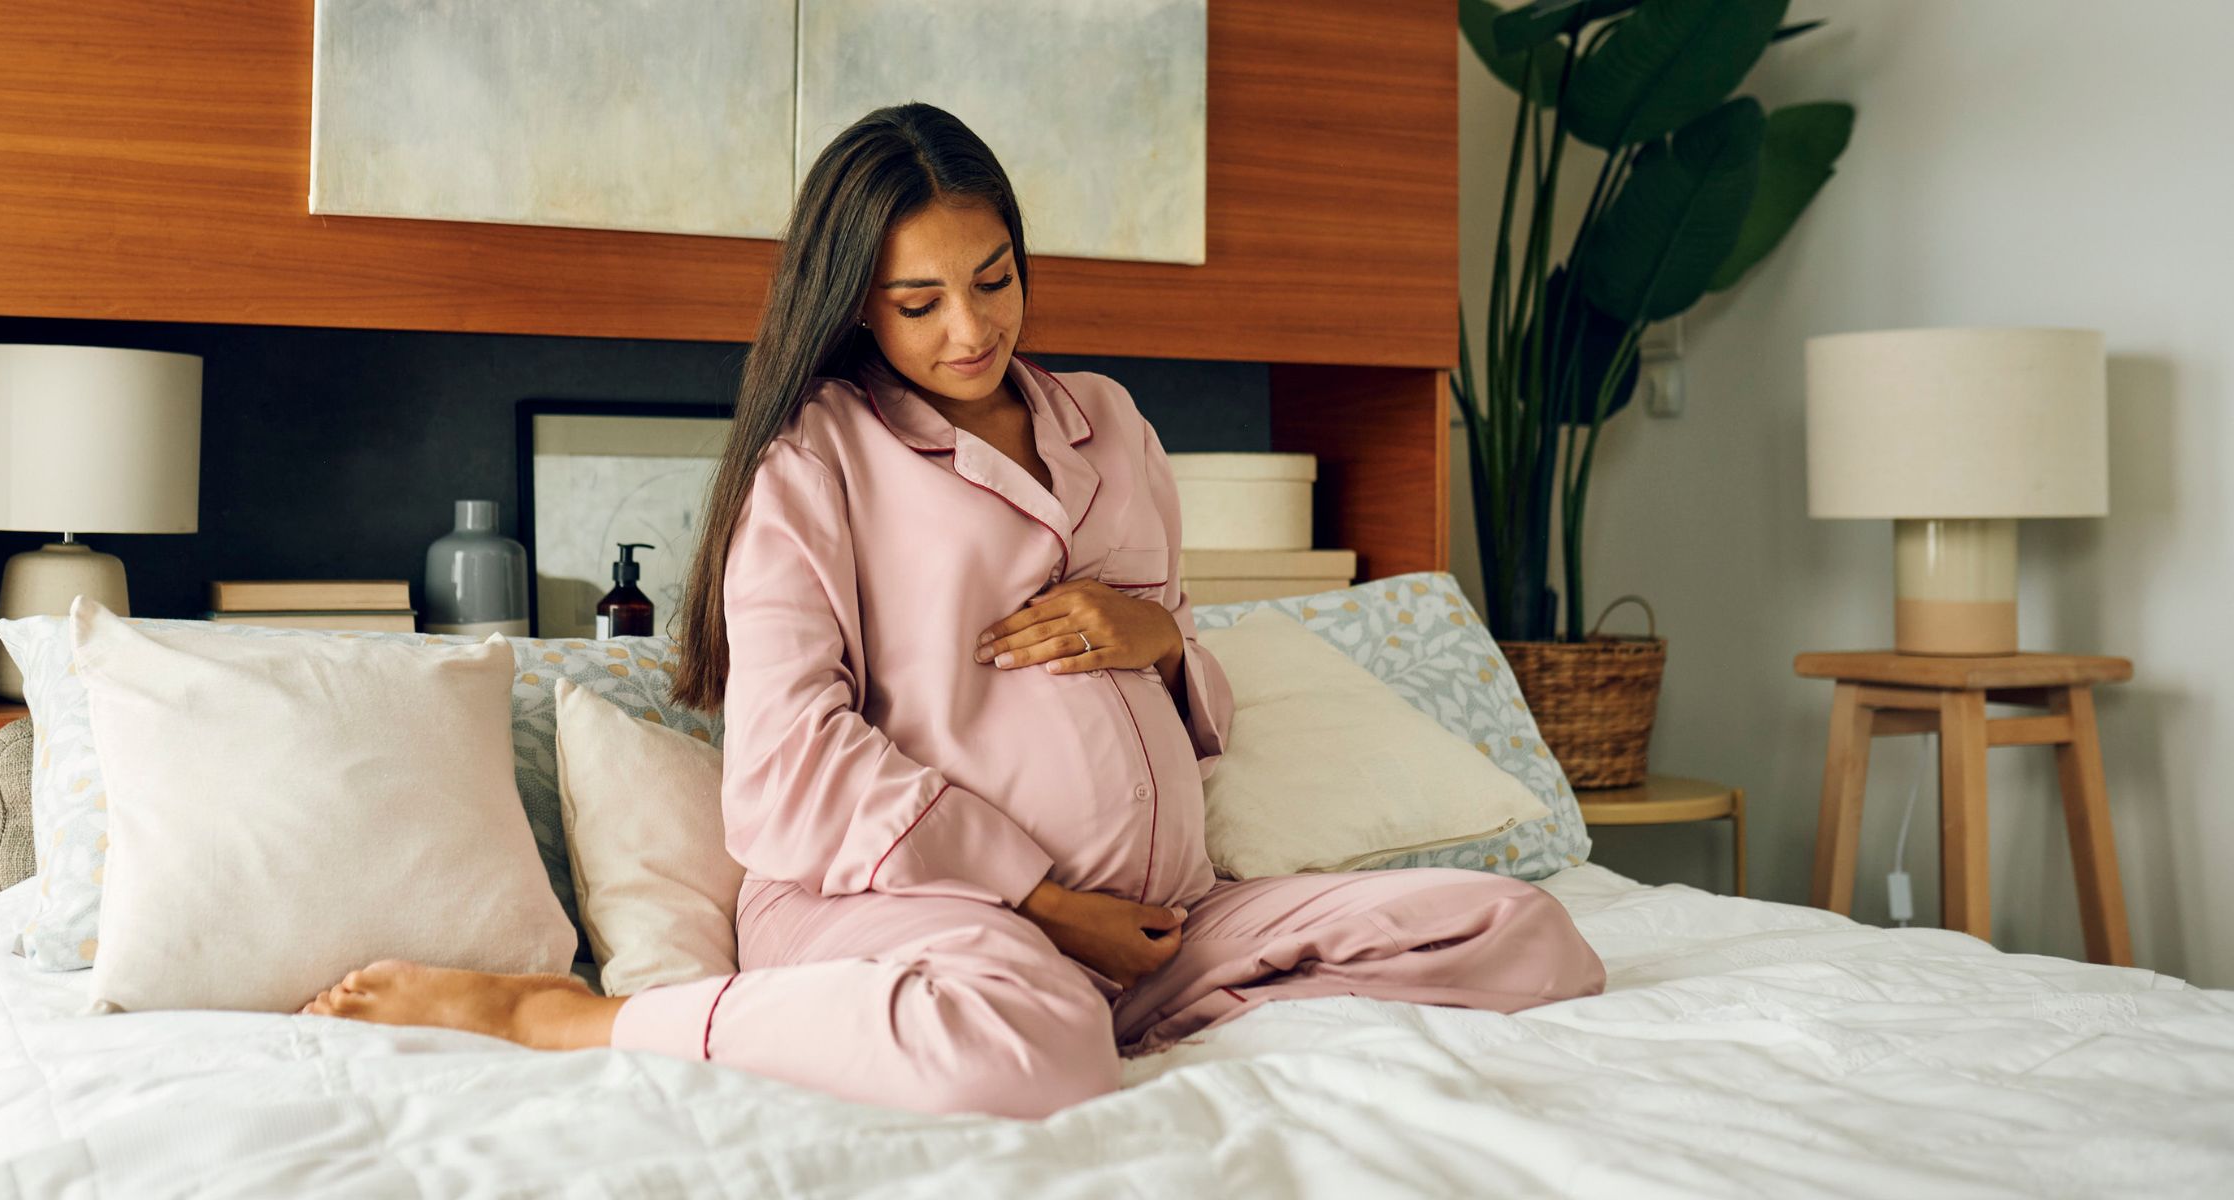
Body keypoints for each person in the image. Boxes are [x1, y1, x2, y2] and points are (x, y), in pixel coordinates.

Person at [302, 103, 1605, 1119]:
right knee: (1024, 1055)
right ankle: (568, 1021)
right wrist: (1041, 901)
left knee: (1522, 936)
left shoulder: (1113, 423)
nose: (971, 329)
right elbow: (785, 760)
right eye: (918, 303)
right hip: (914, 909)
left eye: (993, 279)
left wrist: (1163, 641)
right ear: (851, 303)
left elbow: (1180, 692)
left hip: (1153, 927)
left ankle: (1089, 1003)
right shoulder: (814, 463)